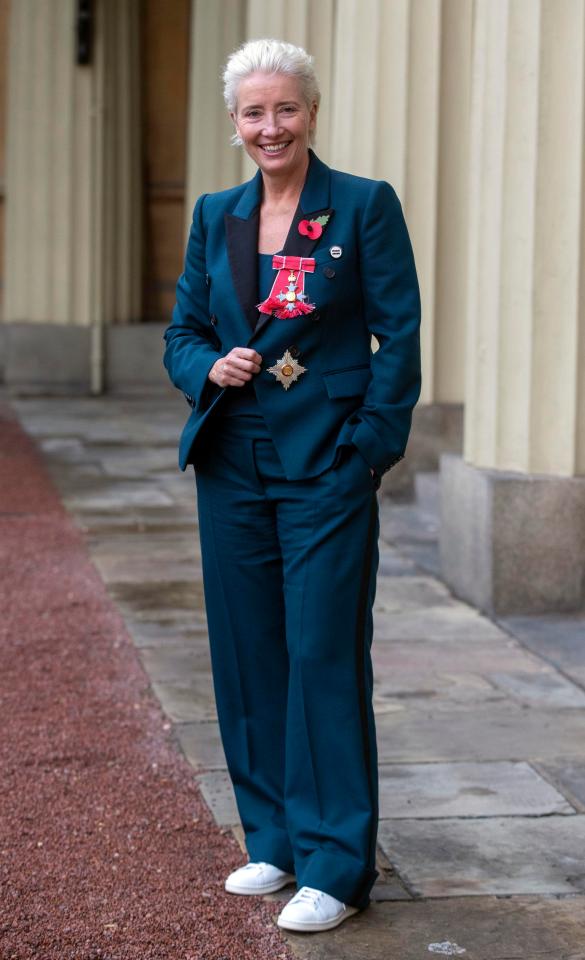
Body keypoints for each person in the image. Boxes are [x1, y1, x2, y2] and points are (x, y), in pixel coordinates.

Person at [163, 38, 421, 934]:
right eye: (252, 113)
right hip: (233, 460)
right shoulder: (214, 214)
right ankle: (272, 838)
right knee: (247, 654)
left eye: (285, 109)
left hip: (327, 465)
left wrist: (368, 451)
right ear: (233, 124)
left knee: (319, 655)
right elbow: (181, 332)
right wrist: (209, 366)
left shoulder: (361, 207)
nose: (270, 126)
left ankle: (336, 863)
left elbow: (400, 336)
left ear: (311, 111)